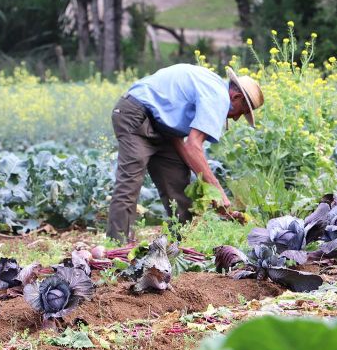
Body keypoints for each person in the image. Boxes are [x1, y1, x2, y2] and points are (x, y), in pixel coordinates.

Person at [107, 63, 263, 242]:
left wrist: (208, 190)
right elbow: (193, 146)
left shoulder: (212, 87)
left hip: (164, 129)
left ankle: (177, 244)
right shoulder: (218, 96)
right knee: (130, 183)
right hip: (135, 113)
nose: (235, 118)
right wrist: (217, 190)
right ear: (236, 96)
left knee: (178, 186)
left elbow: (182, 142)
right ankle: (117, 246)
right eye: (240, 112)